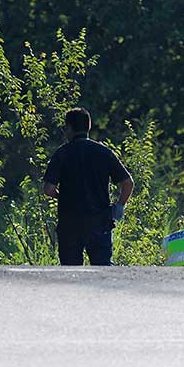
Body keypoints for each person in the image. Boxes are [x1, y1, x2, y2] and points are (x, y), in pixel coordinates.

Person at [43, 108, 134, 265]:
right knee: (102, 271)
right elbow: (128, 183)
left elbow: (48, 189)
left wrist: (63, 197)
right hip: (100, 222)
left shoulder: (62, 153)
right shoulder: (104, 152)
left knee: (70, 273)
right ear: (88, 127)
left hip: (69, 223)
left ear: (69, 128)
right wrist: (119, 206)